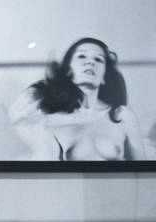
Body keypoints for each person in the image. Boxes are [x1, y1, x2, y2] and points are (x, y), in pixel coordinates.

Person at [8, 37, 146, 160]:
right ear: (68, 70)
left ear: (104, 77)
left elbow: (143, 172)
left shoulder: (122, 116)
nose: (90, 62)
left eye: (98, 59)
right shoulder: (52, 120)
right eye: (81, 56)